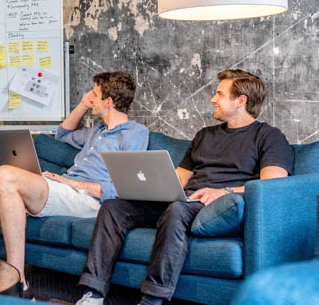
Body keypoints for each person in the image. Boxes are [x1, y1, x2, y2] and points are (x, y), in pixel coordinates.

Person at [75, 69, 294, 305]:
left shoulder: (268, 137)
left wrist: (223, 192)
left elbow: (272, 185)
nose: (212, 99)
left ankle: (152, 299)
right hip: (185, 201)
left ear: (241, 101)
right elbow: (178, 179)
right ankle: (93, 294)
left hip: (218, 206)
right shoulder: (204, 135)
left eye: (219, 94)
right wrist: (149, 188)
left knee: (177, 209)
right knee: (113, 207)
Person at [0, 71, 149, 293]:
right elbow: (62, 134)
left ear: (108, 102)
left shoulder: (135, 133)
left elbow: (126, 187)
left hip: (87, 201)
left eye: (94, 94)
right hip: (64, 189)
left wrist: (75, 184)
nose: (89, 96)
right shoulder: (96, 132)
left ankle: (18, 281)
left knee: (6, 175)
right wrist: (82, 105)